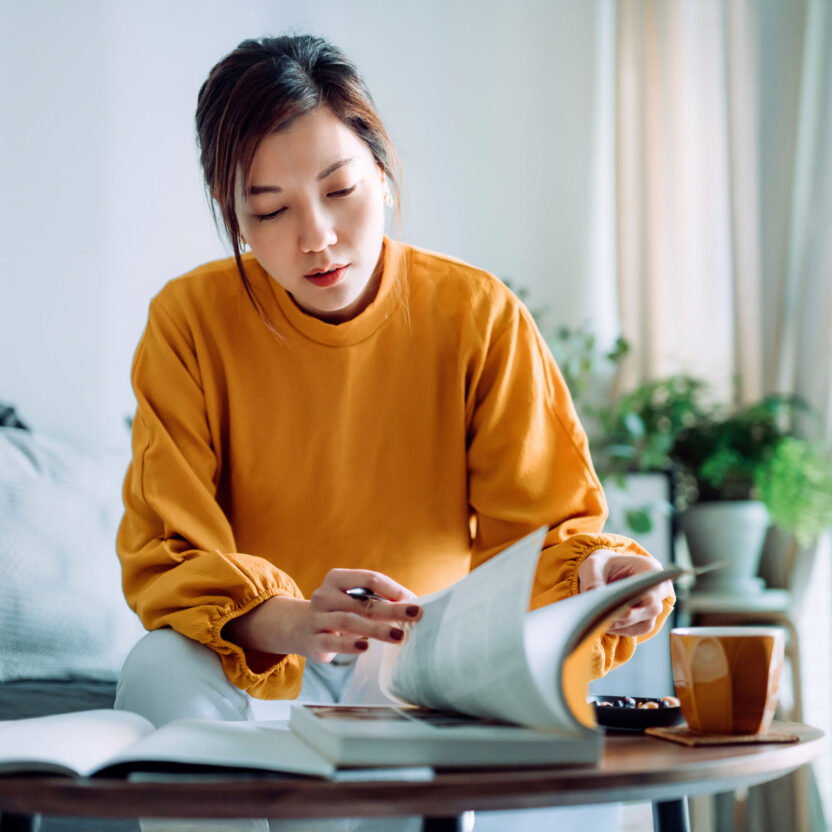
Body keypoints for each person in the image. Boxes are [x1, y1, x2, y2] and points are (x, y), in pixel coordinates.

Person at [114, 33, 674, 831]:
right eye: (268, 210)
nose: (315, 236)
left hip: (420, 668)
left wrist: (603, 579)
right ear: (233, 217)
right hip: (263, 663)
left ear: (382, 170)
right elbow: (170, 549)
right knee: (159, 665)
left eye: (339, 189)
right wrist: (297, 620)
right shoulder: (188, 323)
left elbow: (548, 534)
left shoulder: (477, 315)